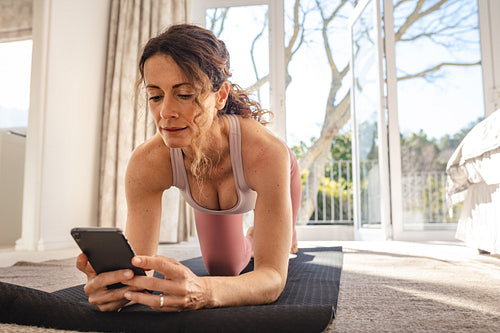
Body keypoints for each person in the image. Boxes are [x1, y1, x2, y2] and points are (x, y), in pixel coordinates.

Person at [76, 24, 301, 313]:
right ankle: (253, 237)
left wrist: (204, 291)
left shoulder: (266, 153)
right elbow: (139, 265)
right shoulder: (147, 162)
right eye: (156, 96)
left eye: (184, 94)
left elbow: (272, 280)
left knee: (286, 248)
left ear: (220, 96)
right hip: (212, 188)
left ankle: (284, 234)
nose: (165, 112)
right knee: (224, 268)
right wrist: (118, 287)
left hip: (282, 174)